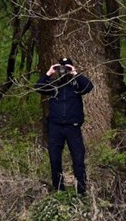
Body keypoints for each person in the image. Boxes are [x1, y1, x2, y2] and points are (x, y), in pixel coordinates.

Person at [35, 57, 94, 195]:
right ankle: (59, 188)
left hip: (73, 127)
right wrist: (49, 73)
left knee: (78, 158)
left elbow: (89, 87)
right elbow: (38, 87)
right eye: (62, 68)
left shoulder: (76, 85)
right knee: (55, 158)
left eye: (66, 68)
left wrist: (75, 73)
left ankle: (81, 190)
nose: (63, 71)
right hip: (55, 127)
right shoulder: (54, 85)